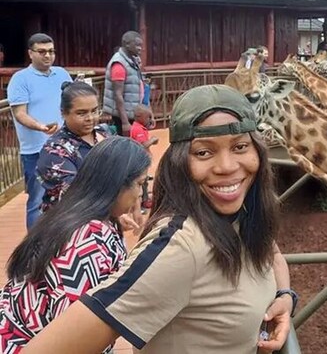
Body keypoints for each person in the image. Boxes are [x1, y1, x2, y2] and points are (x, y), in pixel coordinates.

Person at [25, 84, 296, 354]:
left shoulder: (243, 215)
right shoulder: (181, 248)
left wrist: (284, 296)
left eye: (239, 147)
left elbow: (270, 252)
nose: (226, 166)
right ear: (180, 163)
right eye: (204, 152)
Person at [0, 137, 150, 352]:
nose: (139, 194)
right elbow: (77, 334)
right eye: (139, 184)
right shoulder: (90, 241)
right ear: (116, 185)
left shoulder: (72, 212)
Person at [7, 33, 72, 229]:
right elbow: (20, 113)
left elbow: (72, 100)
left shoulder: (62, 74)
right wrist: (41, 127)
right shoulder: (20, 79)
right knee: (36, 201)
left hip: (64, 146)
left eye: (51, 51)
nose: (48, 56)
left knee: (66, 197)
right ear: (30, 53)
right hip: (35, 150)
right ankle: (33, 250)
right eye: (42, 51)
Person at [37, 81, 108, 213]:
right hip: (69, 223)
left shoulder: (102, 133)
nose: (90, 118)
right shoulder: (55, 152)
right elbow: (75, 195)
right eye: (81, 113)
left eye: (94, 111)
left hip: (105, 216)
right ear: (64, 113)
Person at [102, 31, 144, 136]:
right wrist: (125, 122)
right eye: (137, 45)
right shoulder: (119, 64)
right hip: (123, 116)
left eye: (141, 45)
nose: (140, 48)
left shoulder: (132, 60)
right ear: (127, 44)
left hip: (132, 112)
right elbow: (118, 94)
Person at [129, 104, 159, 212]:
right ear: (139, 117)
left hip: (142, 159)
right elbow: (141, 145)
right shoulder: (137, 129)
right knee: (142, 182)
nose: (149, 120)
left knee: (144, 181)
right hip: (140, 160)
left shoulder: (140, 127)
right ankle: (143, 202)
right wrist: (152, 140)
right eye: (148, 117)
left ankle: (145, 199)